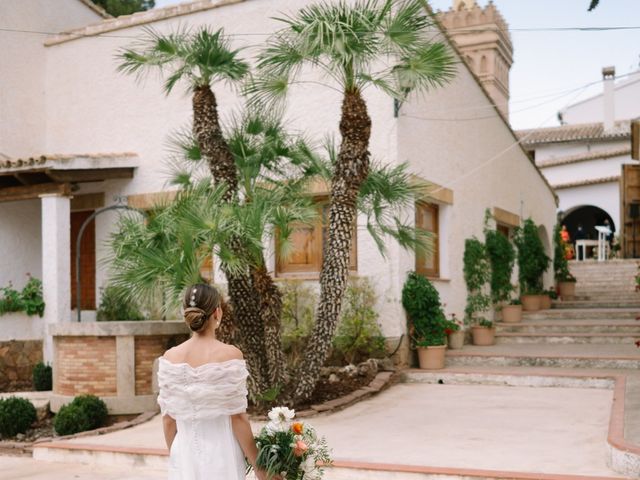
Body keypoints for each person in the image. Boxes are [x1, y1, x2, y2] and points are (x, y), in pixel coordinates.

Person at [157, 284, 270, 480]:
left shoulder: (170, 357)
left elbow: (168, 419)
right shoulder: (230, 355)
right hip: (222, 455)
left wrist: (176, 455)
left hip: (183, 453)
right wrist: (259, 468)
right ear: (217, 312)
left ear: (186, 314)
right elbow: (238, 419)